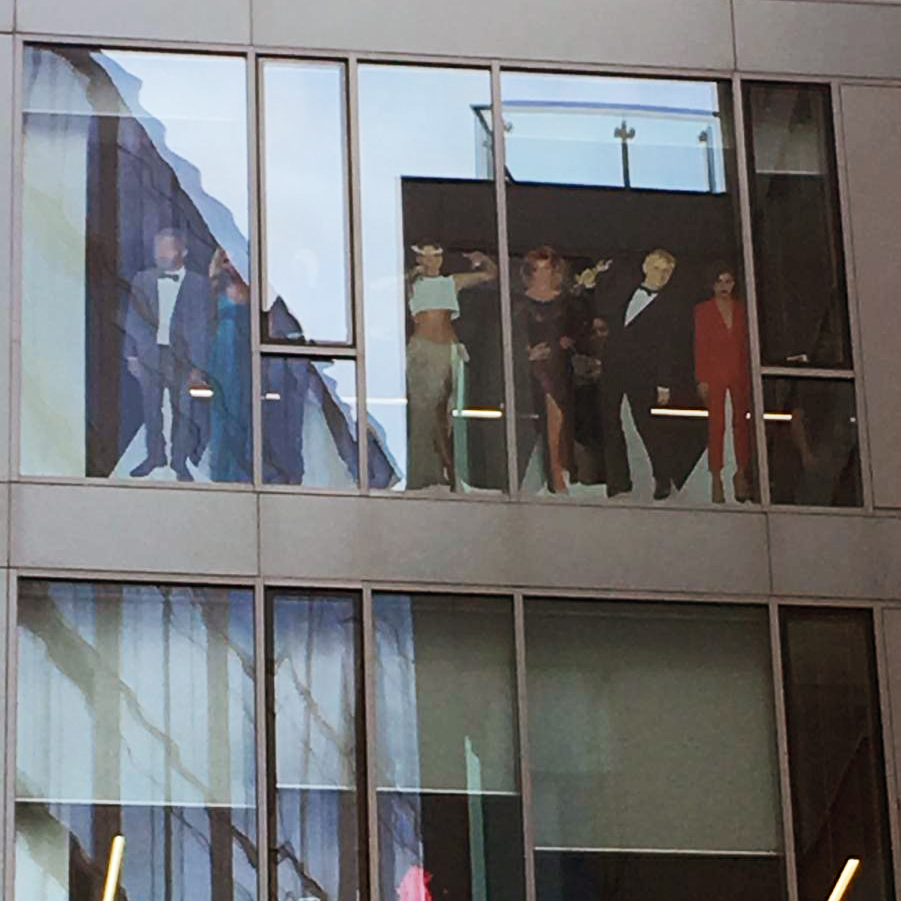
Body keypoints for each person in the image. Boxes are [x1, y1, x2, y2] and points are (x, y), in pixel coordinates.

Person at [405, 241, 497, 490]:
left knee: (447, 411)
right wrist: (409, 276)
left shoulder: (450, 282)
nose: (431, 262)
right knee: (427, 411)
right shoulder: (412, 285)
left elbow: (489, 275)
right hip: (424, 350)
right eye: (425, 257)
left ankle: (447, 469)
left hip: (449, 349)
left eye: (435, 257)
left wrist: (482, 258)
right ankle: (436, 470)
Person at [123, 228, 213, 482]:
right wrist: (131, 355)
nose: (161, 255)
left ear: (183, 251)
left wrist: (199, 365)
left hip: (184, 358)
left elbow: (206, 327)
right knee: (151, 408)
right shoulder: (142, 280)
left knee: (183, 411)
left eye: (167, 249)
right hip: (150, 354)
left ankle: (180, 461)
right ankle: (155, 456)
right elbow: (132, 318)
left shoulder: (199, 285)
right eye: (158, 249)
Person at [590, 248, 680, 500]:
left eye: (667, 272)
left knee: (646, 425)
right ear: (645, 268)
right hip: (613, 367)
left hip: (642, 373)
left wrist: (663, 383)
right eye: (657, 269)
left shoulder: (668, 307)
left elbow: (666, 347)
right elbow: (603, 308)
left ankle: (662, 477)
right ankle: (618, 481)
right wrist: (599, 277)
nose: (661, 275)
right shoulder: (624, 292)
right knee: (609, 422)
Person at [514, 247, 602, 494]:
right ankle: (554, 477)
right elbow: (508, 337)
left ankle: (562, 473)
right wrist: (526, 352)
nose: (543, 274)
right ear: (530, 272)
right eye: (538, 269)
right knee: (549, 420)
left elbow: (584, 333)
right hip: (531, 371)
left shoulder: (569, 301)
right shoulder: (519, 303)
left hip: (561, 368)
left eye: (548, 269)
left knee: (563, 420)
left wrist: (569, 341)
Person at [694, 264, 752, 503]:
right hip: (715, 372)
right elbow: (700, 345)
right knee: (716, 425)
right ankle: (716, 476)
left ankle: (741, 473)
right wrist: (702, 378)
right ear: (712, 285)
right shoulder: (703, 310)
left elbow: (747, 344)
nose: (724, 286)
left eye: (728, 281)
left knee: (742, 423)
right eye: (720, 282)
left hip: (740, 371)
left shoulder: (742, 309)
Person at [206, 248, 252, 483]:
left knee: (243, 412)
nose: (229, 266)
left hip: (244, 357)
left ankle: (241, 471)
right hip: (220, 357)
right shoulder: (213, 291)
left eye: (233, 261)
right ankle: (221, 472)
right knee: (220, 414)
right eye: (225, 261)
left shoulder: (253, 292)